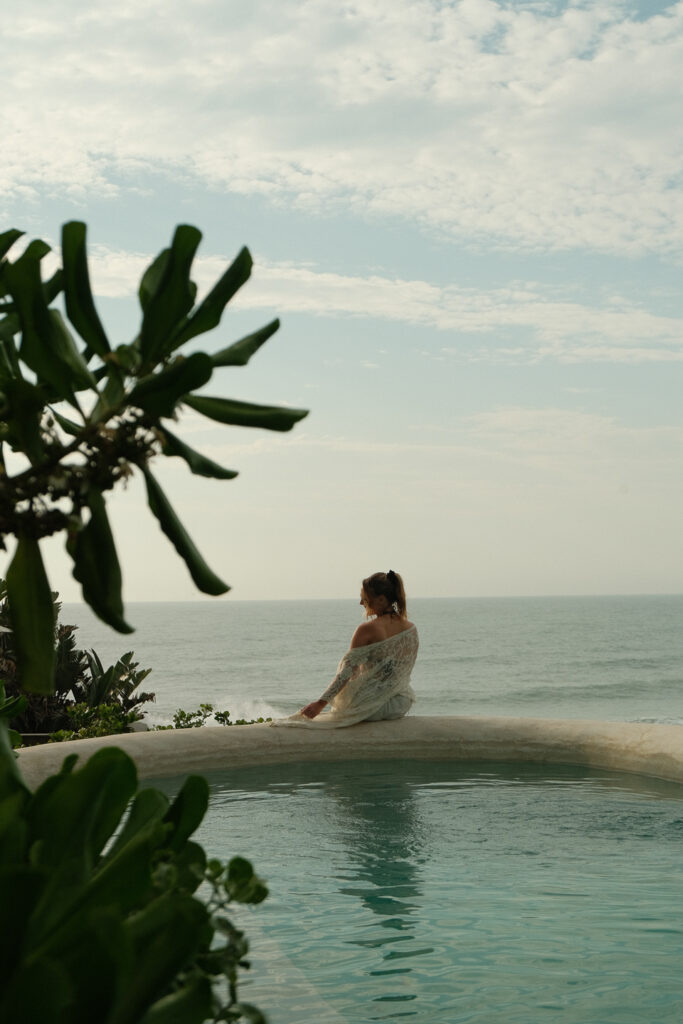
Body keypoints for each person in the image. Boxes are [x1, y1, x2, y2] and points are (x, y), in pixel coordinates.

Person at [270, 570, 418, 729]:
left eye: (365, 599)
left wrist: (320, 704)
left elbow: (347, 672)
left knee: (344, 704)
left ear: (381, 600)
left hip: (374, 709)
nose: (361, 603)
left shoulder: (367, 629)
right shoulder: (411, 629)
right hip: (401, 703)